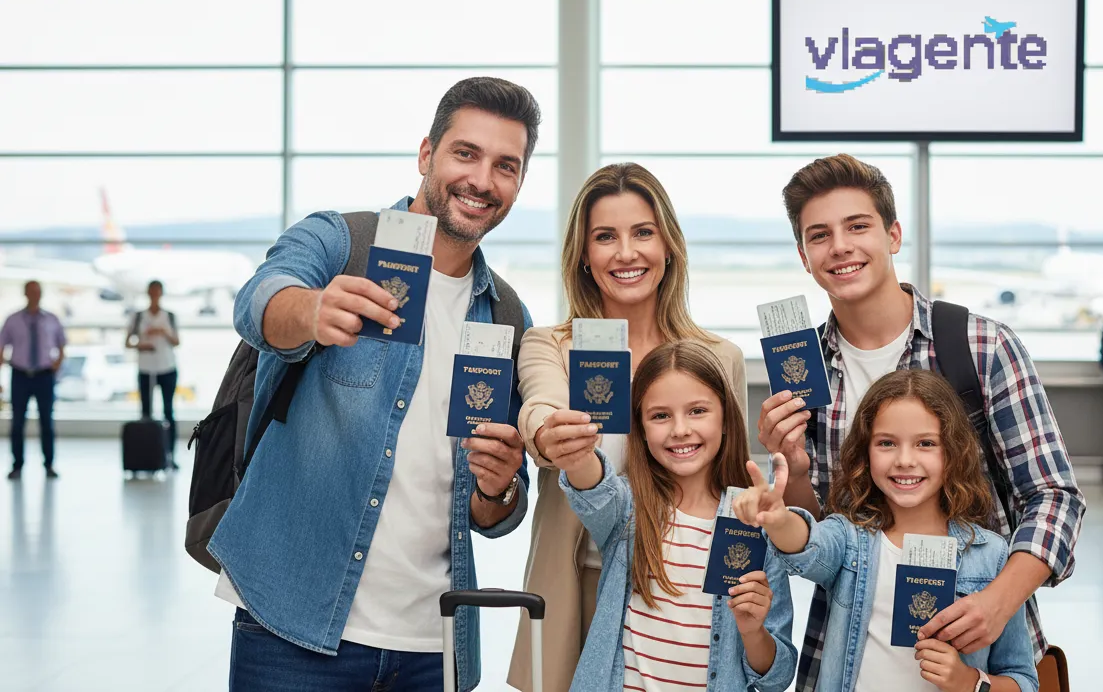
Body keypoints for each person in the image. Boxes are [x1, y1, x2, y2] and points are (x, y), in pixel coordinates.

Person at [208, 77, 540, 692]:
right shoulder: (343, 241)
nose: (482, 180)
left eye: (506, 166)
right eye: (465, 154)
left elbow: (495, 513)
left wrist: (497, 490)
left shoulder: (506, 316)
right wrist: (308, 311)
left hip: (431, 644)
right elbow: (258, 300)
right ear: (426, 154)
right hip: (292, 625)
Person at [756, 155, 1083, 691]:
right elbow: (825, 539)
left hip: (978, 652)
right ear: (803, 255)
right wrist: (793, 469)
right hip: (848, 657)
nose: (840, 246)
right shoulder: (803, 369)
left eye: (858, 226)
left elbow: (1055, 498)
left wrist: (996, 602)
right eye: (820, 235)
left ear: (894, 235)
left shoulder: (980, 347)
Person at [507, 163, 749, 691]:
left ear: (669, 247)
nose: (625, 252)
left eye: (642, 232)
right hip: (578, 585)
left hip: (682, 597)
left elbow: (733, 491)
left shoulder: (718, 357)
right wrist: (549, 434)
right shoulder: (551, 345)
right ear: (584, 257)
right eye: (605, 237)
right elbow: (540, 407)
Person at [736, 369, 1038, 692]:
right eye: (886, 443)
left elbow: (1023, 679)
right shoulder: (850, 538)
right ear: (865, 454)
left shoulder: (991, 555)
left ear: (952, 451)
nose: (904, 460)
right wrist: (779, 519)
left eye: (925, 443)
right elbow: (810, 546)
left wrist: (969, 682)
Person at [555, 339, 796, 692]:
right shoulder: (627, 509)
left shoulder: (757, 527)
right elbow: (593, 488)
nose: (680, 429)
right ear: (640, 427)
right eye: (660, 416)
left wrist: (752, 630)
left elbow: (776, 677)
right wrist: (577, 455)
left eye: (697, 411)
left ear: (727, 419)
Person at [2, 281, 66, 480]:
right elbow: (2, 347)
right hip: (20, 375)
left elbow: (62, 345)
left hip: (44, 376)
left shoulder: (52, 319)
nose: (34, 295)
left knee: (46, 421)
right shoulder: (12, 320)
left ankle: (49, 464)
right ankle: (17, 465)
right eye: (31, 292)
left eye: (37, 292)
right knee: (18, 422)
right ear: (25, 294)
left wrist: (56, 365)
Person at [125, 280, 180, 469]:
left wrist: (163, 332)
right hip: (146, 368)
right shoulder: (139, 316)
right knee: (146, 412)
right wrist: (142, 345)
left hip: (167, 367)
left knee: (168, 411)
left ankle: (170, 455)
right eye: (152, 292)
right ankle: (147, 456)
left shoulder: (169, 316)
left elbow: (176, 341)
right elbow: (128, 342)